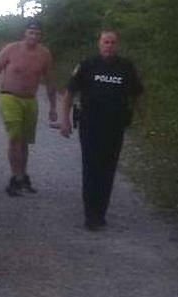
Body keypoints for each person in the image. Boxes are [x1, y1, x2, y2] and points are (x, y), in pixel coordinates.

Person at [60, 30, 144, 231]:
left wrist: (144, 119)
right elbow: (70, 93)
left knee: (108, 170)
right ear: (99, 44)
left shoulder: (126, 67)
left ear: (117, 45)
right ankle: (91, 215)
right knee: (91, 169)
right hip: (90, 124)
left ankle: (100, 213)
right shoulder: (87, 65)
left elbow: (138, 94)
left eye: (113, 42)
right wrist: (64, 120)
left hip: (115, 126)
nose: (109, 46)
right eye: (106, 42)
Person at [0, 21, 57, 196]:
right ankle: (15, 178)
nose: (33, 36)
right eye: (31, 32)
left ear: (40, 36)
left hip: (30, 100)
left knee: (24, 141)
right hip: (10, 97)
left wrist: (53, 107)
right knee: (15, 137)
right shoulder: (11, 50)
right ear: (24, 33)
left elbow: (50, 81)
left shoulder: (44, 54)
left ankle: (23, 176)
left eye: (37, 34)